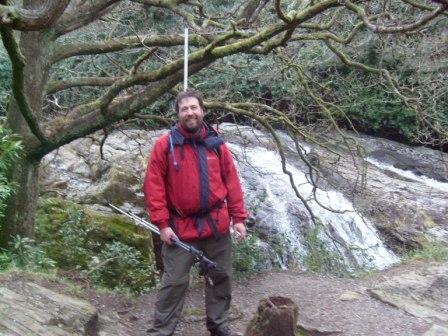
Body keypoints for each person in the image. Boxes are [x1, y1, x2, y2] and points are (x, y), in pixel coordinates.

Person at [143, 89, 248, 336]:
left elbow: (232, 182)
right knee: (175, 282)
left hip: (216, 226)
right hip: (180, 229)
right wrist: (162, 224)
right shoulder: (164, 145)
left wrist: (239, 219)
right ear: (178, 114)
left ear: (202, 110)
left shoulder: (217, 144)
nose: (190, 112)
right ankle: (160, 331)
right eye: (184, 109)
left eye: (194, 107)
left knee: (220, 277)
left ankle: (219, 326)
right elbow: (153, 186)